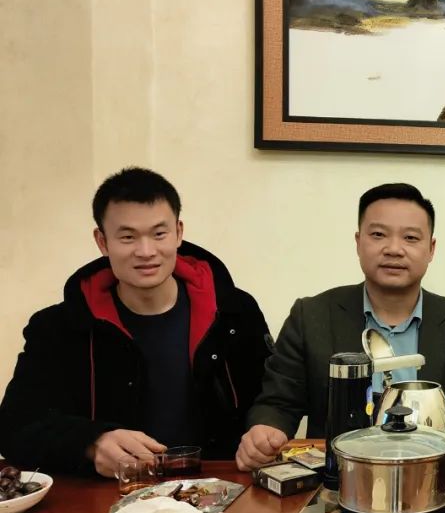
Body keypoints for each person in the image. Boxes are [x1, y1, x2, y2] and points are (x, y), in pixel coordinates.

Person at [0, 168, 272, 477]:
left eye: (159, 234)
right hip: (109, 494)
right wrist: (90, 442)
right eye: (128, 237)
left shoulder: (234, 312)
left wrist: (264, 432)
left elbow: (271, 401)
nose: (146, 252)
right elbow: (14, 427)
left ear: (179, 233)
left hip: (220, 486)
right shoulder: (60, 327)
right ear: (102, 241)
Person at [238, 183, 445, 470]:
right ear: (358, 242)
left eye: (410, 237)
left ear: (431, 249)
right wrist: (265, 431)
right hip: (337, 481)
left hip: (432, 479)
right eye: (378, 235)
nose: (394, 249)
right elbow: (277, 403)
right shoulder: (311, 316)